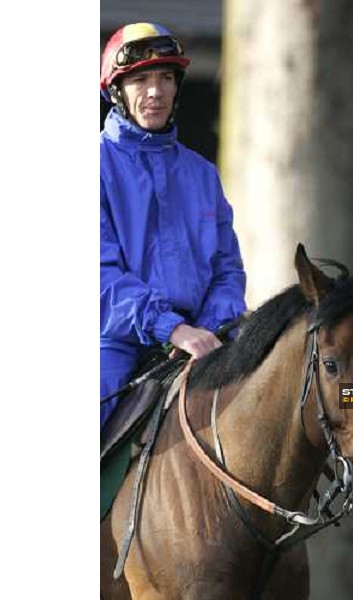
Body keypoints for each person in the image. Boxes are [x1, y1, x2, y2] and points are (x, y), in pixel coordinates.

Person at [100, 23, 246, 429]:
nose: (155, 92)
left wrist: (210, 329)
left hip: (206, 338)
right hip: (115, 342)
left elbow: (227, 269)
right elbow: (99, 277)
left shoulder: (202, 174)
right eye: (141, 79)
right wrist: (172, 329)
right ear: (117, 92)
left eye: (166, 78)